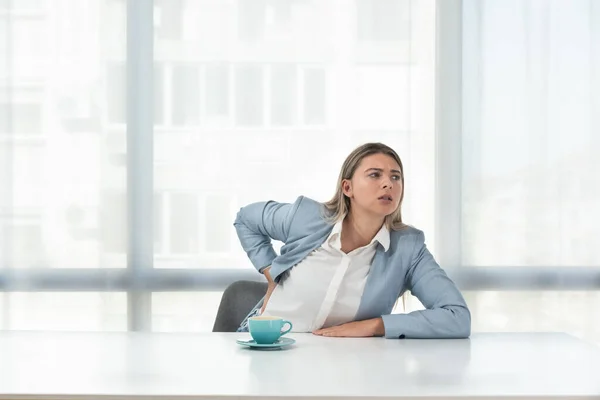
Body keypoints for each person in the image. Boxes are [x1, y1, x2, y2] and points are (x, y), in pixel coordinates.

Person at [233, 142, 470, 339]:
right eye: (375, 175)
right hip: (264, 348)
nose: (388, 183)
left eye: (395, 177)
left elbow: (457, 316)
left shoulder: (408, 248)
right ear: (348, 187)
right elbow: (246, 219)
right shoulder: (306, 218)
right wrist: (269, 271)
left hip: (343, 365)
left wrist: (377, 325)